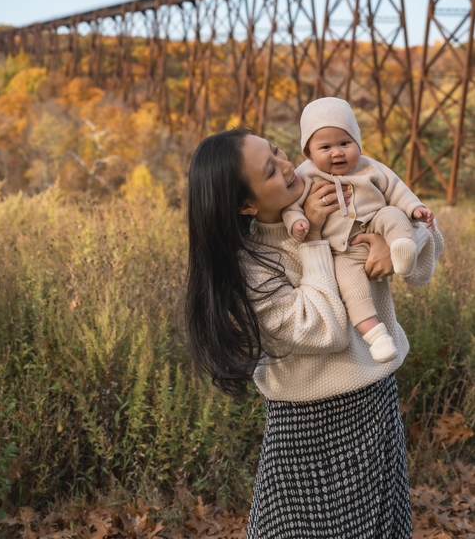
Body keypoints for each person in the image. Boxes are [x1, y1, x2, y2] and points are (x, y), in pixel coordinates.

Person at [185, 127, 443, 539]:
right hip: (303, 425)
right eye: (271, 171)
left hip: (372, 406)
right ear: (246, 204)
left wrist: (396, 241)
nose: (289, 166)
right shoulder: (251, 267)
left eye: (279, 152)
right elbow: (325, 328)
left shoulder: (342, 203)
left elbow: (422, 263)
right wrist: (316, 240)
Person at [281, 98, 434, 363]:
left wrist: (415, 208)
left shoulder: (370, 167)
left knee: (393, 213)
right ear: (308, 152)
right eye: (325, 147)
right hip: (344, 251)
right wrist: (296, 222)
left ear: (358, 144)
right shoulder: (305, 174)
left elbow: (396, 189)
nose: (337, 153)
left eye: (345, 143)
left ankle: (402, 250)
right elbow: (291, 206)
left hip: (378, 224)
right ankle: (376, 336)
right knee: (353, 290)